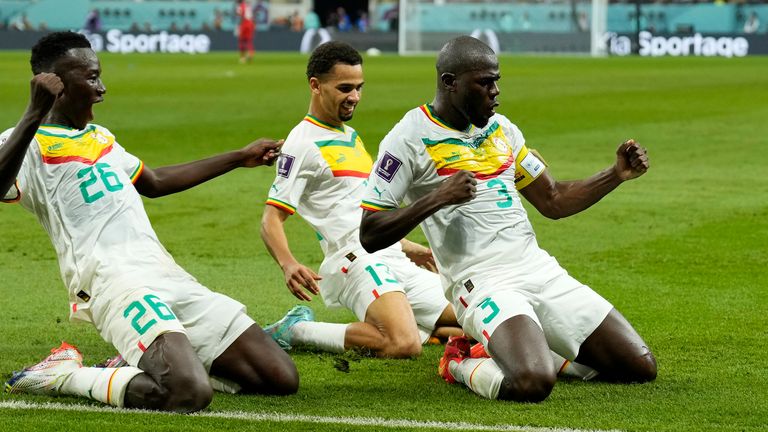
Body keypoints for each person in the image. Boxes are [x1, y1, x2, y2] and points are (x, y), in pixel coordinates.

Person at [0, 31, 297, 412]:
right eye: (91, 78)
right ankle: (65, 374)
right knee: (188, 393)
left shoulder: (101, 137)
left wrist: (239, 157)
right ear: (56, 85)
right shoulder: (26, 142)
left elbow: (153, 182)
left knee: (279, 377)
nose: (102, 88)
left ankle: (146, 361)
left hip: (165, 274)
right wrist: (33, 113)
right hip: (113, 283)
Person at [359, 36, 657, 402]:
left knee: (640, 366)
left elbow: (554, 199)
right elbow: (369, 232)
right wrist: (437, 197)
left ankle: (537, 349)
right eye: (484, 83)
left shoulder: (503, 130)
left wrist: (615, 174)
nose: (495, 91)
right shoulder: (408, 138)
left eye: (496, 80)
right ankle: (459, 360)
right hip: (481, 283)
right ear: (450, 82)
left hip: (536, 269)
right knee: (533, 382)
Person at [260, 41, 462, 358]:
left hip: (391, 256)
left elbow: (355, 208)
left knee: (471, 315)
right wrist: (288, 264)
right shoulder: (302, 143)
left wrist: (409, 248)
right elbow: (271, 218)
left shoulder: (350, 137)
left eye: (358, 87)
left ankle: (419, 326)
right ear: (315, 85)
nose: (354, 97)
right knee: (402, 344)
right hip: (356, 260)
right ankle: (297, 330)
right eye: (344, 88)